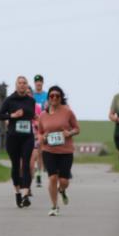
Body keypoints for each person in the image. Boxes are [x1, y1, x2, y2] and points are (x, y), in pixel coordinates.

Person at [36, 85, 80, 216]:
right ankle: (54, 206)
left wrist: (69, 133)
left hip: (65, 151)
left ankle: (62, 190)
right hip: (48, 150)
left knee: (64, 181)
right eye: (52, 96)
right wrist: (42, 138)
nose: (54, 98)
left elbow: (77, 129)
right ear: (48, 98)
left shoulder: (67, 112)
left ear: (61, 98)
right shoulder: (43, 115)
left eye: (57, 96)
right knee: (53, 178)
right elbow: (39, 132)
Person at [0, 76, 37, 208]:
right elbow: (1, 115)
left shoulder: (31, 101)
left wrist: (34, 117)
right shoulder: (9, 100)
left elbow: (31, 115)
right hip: (13, 137)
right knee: (16, 166)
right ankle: (17, 192)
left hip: (27, 137)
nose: (22, 85)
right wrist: (12, 115)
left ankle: (25, 195)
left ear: (27, 85)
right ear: (16, 85)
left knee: (26, 164)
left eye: (24, 83)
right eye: (20, 83)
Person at [30, 74, 47, 188]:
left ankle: (39, 173)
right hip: (31, 125)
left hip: (42, 125)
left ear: (42, 83)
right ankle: (33, 169)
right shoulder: (31, 95)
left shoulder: (46, 95)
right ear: (34, 83)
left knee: (40, 152)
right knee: (33, 152)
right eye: (37, 82)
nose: (38, 83)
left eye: (40, 81)